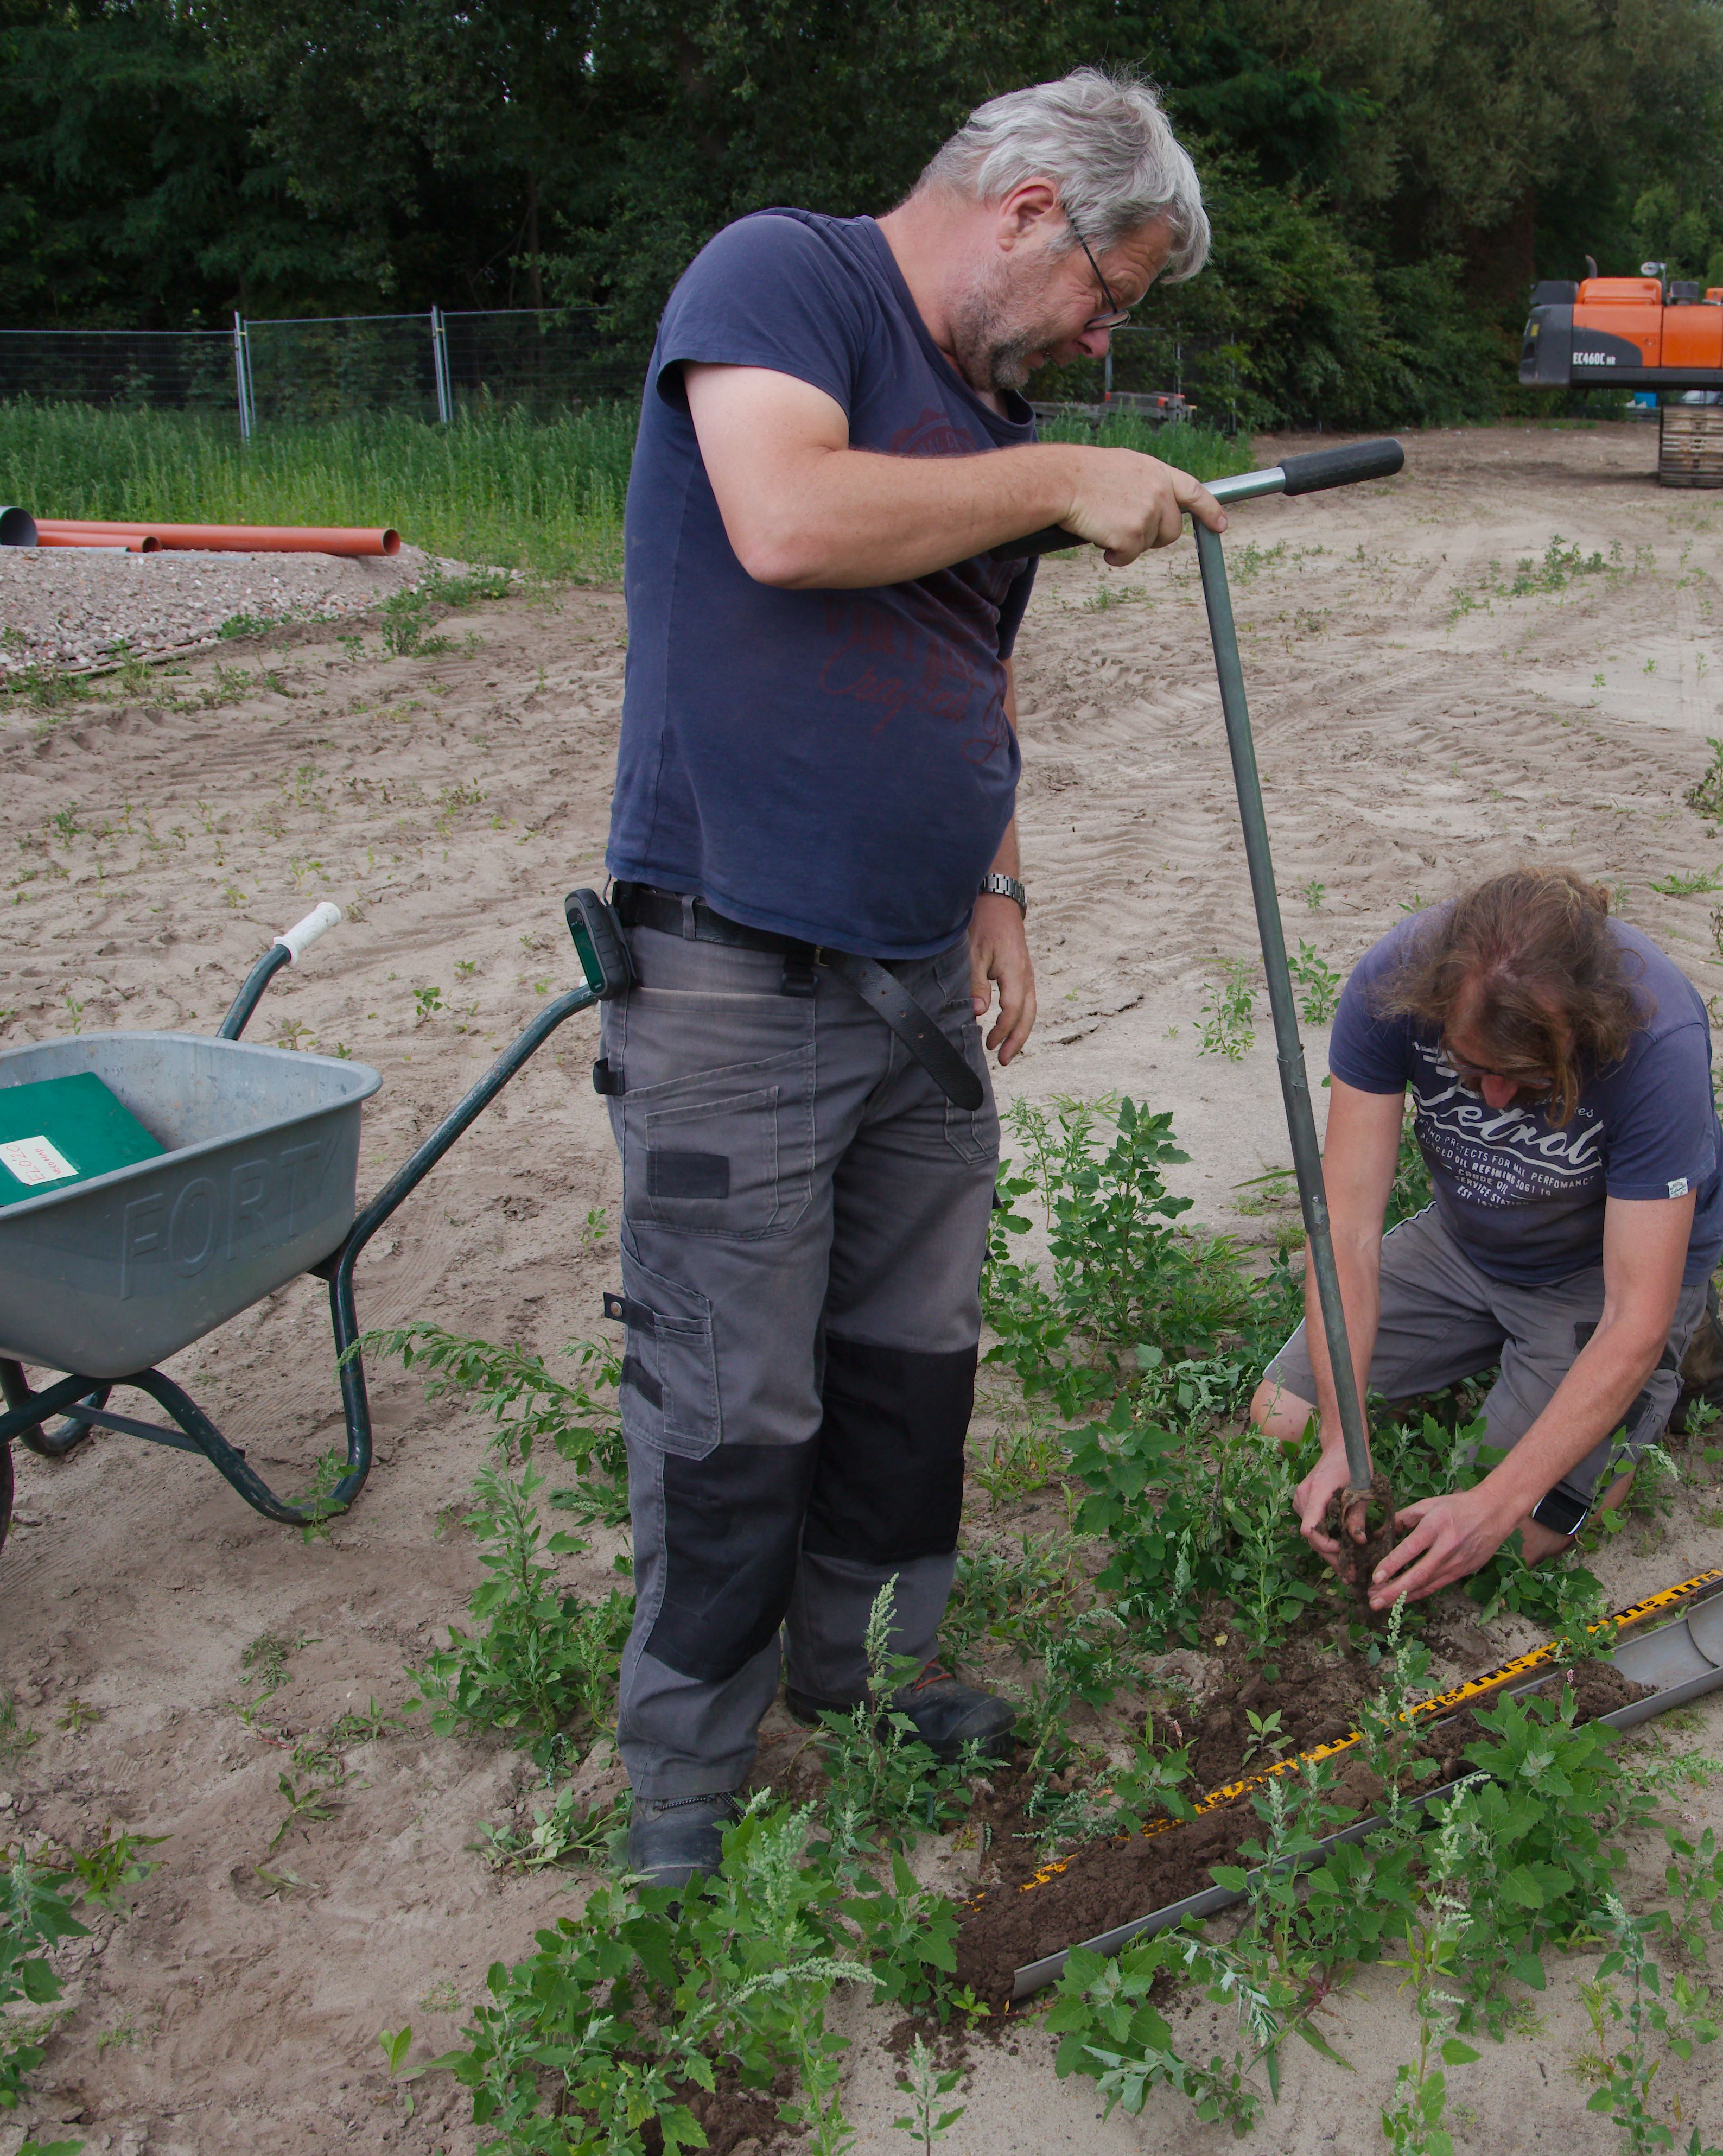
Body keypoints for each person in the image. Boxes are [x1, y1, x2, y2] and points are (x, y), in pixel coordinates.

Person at [600, 71, 1229, 1892]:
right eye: (1104, 291)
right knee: (731, 1410)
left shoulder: (986, 406)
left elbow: (977, 663)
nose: (1103, 337)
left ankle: (864, 1679)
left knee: (904, 1367)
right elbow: (785, 518)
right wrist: (1056, 482)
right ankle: (685, 1793)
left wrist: (1000, 885)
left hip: (912, 977)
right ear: (1029, 203)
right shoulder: (785, 282)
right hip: (734, 963)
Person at [1252, 868, 1723, 1609]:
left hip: (1601, 1275)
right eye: (1471, 1067)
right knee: (1277, 1421)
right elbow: (1348, 1235)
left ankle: (1686, 1336)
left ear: (1586, 1028)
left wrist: (1494, 1507)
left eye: (1524, 1075)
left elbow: (1631, 1314)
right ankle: (1508, 1353)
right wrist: (1339, 1449)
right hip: (1466, 1239)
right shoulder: (1390, 986)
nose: (1496, 1099)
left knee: (1511, 1543)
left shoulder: (1657, 1039)